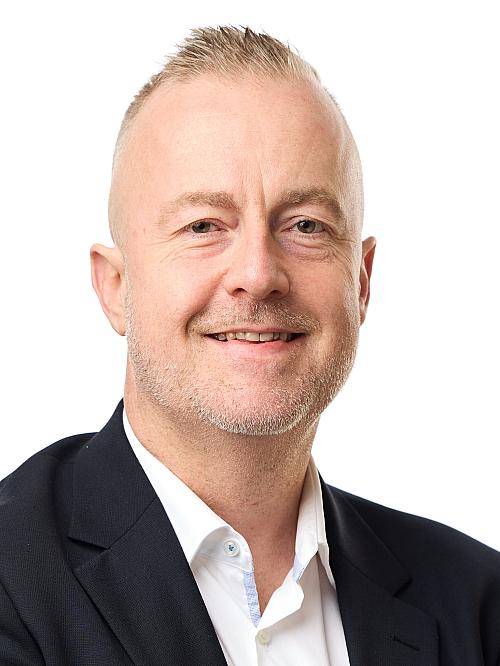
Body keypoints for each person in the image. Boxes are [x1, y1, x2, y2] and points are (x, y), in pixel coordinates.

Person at [0, 25, 498, 666]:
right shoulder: (13, 585)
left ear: (361, 280)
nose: (258, 274)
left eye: (306, 225)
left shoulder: (478, 607)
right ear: (114, 286)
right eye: (203, 225)